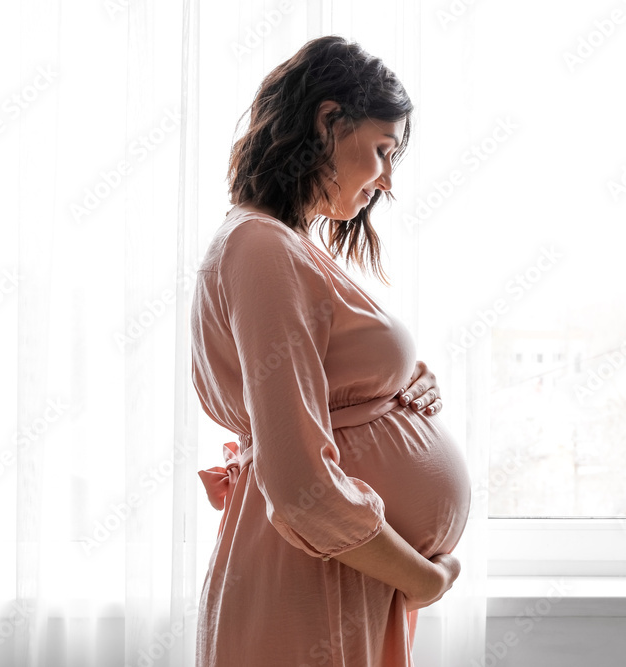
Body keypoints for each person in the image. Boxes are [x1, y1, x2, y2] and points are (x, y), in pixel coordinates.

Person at [191, 35, 472, 666]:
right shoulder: (261, 247)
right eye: (381, 150)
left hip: (335, 571)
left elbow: (315, 373)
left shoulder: (282, 243)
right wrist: (424, 577)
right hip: (310, 576)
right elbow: (298, 484)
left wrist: (402, 383)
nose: (388, 179)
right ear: (327, 120)